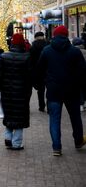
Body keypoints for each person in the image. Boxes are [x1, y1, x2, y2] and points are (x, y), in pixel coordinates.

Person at [37, 26, 86, 156]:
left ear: (54, 35)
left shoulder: (47, 51)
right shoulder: (75, 52)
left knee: (54, 119)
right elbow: (82, 72)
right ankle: (78, 141)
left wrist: (44, 83)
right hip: (72, 90)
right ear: (66, 35)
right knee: (75, 117)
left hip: (53, 90)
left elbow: (40, 70)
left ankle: (56, 147)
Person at [0, 33, 32, 151]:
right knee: (20, 117)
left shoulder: (4, 57)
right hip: (22, 92)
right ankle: (16, 143)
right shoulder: (27, 57)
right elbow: (30, 77)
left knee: (9, 114)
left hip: (7, 91)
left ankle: (8, 138)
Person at [30, 31, 49, 112]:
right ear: (43, 36)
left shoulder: (33, 46)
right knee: (49, 89)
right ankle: (49, 106)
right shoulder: (48, 45)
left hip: (38, 71)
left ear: (35, 37)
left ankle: (41, 106)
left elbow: (31, 60)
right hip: (48, 70)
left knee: (40, 90)